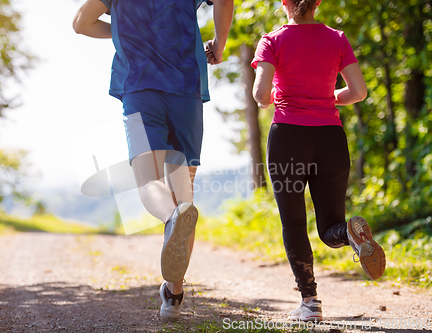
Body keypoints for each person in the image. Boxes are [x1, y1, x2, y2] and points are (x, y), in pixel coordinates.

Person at [73, 0, 234, 321]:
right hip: (186, 89)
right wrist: (219, 42)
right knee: (183, 188)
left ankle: (172, 219)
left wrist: (121, 29)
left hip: (139, 87)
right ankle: (173, 293)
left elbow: (81, 23)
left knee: (148, 179)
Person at [251, 0, 386, 322]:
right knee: (329, 228)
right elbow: (359, 91)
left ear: (284, 2)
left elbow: (260, 94)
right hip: (330, 138)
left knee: (294, 223)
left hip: (288, 138)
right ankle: (350, 234)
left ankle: (310, 303)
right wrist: (327, 97)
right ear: (317, 3)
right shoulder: (336, 38)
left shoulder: (272, 40)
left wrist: (276, 97)